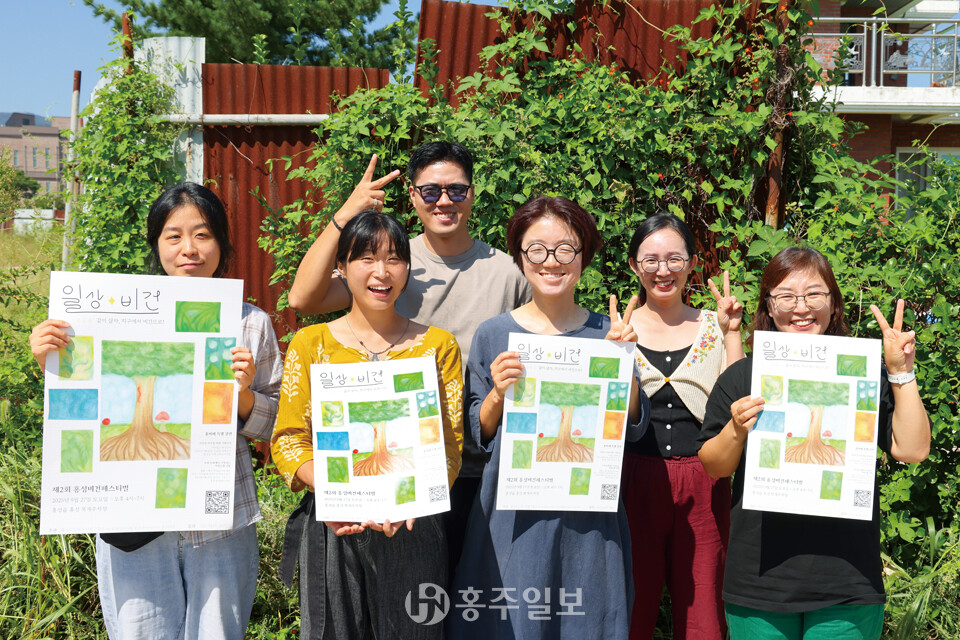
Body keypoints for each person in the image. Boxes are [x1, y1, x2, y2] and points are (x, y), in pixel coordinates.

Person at [29, 183, 283, 640]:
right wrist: (49, 358)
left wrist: (243, 395)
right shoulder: (109, 320)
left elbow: (278, 424)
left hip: (220, 521)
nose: (189, 249)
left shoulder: (249, 324)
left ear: (222, 243)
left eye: (203, 235)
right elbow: (76, 408)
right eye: (174, 236)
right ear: (156, 245)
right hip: (132, 520)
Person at [286, 141, 530, 570]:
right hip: (398, 471)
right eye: (430, 191)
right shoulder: (388, 260)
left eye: (456, 190)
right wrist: (345, 215)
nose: (444, 201)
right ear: (413, 196)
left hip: (479, 466)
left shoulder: (507, 272)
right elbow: (302, 299)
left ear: (472, 193)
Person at [698, 246, 931, 640]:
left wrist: (901, 373)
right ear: (769, 306)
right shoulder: (743, 376)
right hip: (759, 582)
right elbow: (714, 466)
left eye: (814, 294)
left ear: (833, 303)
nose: (801, 307)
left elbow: (912, 450)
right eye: (786, 296)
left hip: (848, 582)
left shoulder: (863, 375)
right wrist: (736, 428)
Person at [448, 196, 650, 639]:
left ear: (584, 256)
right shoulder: (494, 333)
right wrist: (498, 394)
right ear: (520, 256)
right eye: (537, 249)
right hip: (513, 515)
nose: (551, 261)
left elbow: (634, 428)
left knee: (588, 622)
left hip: (589, 518)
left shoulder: (608, 333)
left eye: (565, 249)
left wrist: (625, 363)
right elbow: (476, 434)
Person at [271, 210, 464, 640]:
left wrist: (412, 499)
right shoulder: (311, 344)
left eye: (394, 258)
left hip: (413, 524)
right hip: (335, 524)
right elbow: (288, 442)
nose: (382, 272)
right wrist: (339, 491)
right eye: (366, 258)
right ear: (341, 267)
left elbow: (449, 448)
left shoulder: (437, 346)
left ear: (407, 268)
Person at [619, 213, 744, 640]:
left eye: (675, 258)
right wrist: (616, 354)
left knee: (704, 610)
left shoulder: (715, 324)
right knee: (631, 605)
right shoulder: (617, 328)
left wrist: (732, 332)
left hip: (704, 478)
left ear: (692, 263)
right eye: (650, 260)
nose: (663, 270)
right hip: (634, 478)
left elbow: (738, 394)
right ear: (634, 265)